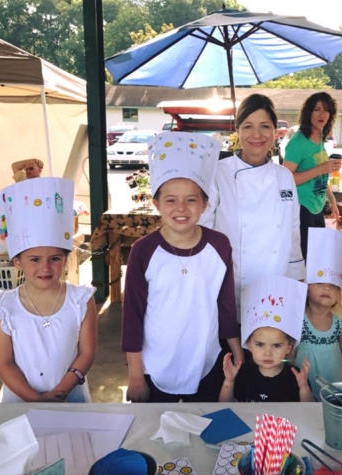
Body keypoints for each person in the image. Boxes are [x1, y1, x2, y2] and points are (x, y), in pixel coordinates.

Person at [123, 132, 244, 403]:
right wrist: (135, 375)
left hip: (207, 360)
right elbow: (132, 315)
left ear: (204, 204)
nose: (181, 208)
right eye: (170, 200)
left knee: (207, 430)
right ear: (156, 204)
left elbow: (225, 303)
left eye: (191, 199)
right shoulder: (143, 251)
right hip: (155, 364)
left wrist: (236, 348)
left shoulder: (219, 245)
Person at [0, 177, 97, 402]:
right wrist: (35, 399)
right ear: (17, 262)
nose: (45, 267)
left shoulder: (81, 300)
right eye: (35, 259)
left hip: (71, 396)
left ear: (66, 259)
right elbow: (4, 362)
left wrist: (60, 393)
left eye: (55, 258)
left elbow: (86, 354)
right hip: (19, 399)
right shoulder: (4, 306)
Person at [200, 94, 305, 318]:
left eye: (265, 126)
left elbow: (292, 231)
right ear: (237, 130)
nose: (257, 135)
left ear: (276, 131)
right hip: (232, 283)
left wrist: (298, 279)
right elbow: (203, 233)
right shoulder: (218, 173)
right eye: (248, 126)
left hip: (276, 281)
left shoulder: (284, 176)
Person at [219, 275, 313, 402]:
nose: (267, 353)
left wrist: (304, 388)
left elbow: (308, 412)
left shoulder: (295, 376)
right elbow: (224, 404)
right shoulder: (243, 374)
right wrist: (229, 381)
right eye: (260, 344)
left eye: (276, 345)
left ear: (288, 347)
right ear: (249, 345)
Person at [295, 227, 342, 401]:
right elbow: (290, 357)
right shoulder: (298, 320)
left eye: (333, 285)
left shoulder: (339, 324)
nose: (326, 287)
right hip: (302, 388)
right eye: (319, 282)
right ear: (306, 290)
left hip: (334, 390)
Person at [282, 92, 341, 260]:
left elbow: (320, 176)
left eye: (326, 110)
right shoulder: (298, 142)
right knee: (307, 262)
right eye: (317, 109)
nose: (322, 114)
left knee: (317, 260)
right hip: (302, 209)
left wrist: (332, 199)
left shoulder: (319, 138)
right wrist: (322, 168)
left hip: (317, 208)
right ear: (308, 113)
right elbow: (286, 179)